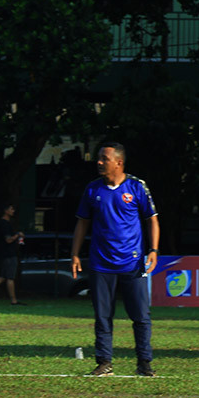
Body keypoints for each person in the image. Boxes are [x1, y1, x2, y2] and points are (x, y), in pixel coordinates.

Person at [71, 142, 159, 377]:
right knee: (102, 316)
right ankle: (104, 362)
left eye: (104, 158)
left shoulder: (137, 187)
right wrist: (75, 253)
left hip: (133, 263)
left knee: (140, 316)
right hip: (101, 264)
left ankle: (144, 362)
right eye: (99, 158)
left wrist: (153, 249)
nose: (99, 162)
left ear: (119, 163)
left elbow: (152, 219)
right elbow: (82, 222)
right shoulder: (92, 189)